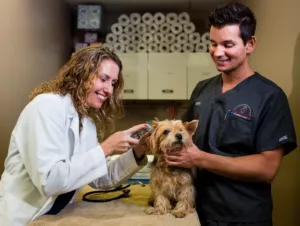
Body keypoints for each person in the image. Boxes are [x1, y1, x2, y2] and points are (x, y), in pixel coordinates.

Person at [164, 2, 297, 226]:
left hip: (242, 217)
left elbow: (267, 168)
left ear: (250, 44)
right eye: (213, 44)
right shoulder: (202, 89)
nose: (218, 52)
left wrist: (201, 159)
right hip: (195, 212)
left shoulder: (270, 96)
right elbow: (184, 141)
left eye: (228, 44)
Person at [0, 45, 150, 226]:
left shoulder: (86, 123)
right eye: (103, 79)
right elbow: (50, 181)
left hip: (51, 216)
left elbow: (100, 178)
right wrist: (106, 148)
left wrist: (138, 151)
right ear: (82, 73)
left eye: (113, 83)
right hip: (21, 218)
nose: (109, 90)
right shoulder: (47, 106)